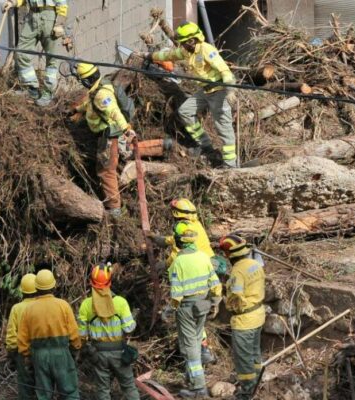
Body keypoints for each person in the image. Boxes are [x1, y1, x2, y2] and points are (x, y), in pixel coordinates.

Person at [139, 22, 239, 168]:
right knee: (185, 112)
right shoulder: (187, 51)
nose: (181, 46)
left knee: (223, 128)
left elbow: (225, 71)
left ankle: (230, 165)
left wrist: (230, 91)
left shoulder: (206, 50)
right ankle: (205, 145)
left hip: (220, 91)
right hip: (205, 91)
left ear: (192, 40)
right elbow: (169, 55)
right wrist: (149, 56)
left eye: (183, 43)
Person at [149, 198, 222, 364]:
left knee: (190, 306)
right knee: (198, 308)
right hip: (206, 263)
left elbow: (177, 253)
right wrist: (157, 239)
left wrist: (163, 265)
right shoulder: (194, 224)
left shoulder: (182, 226)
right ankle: (203, 349)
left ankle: (202, 350)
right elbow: (175, 239)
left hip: (196, 265)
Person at [69, 62, 136, 218]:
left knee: (106, 171)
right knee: (127, 151)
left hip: (109, 136)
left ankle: (114, 208)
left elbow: (114, 112)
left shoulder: (101, 95)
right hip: (112, 133)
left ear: (86, 80)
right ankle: (162, 146)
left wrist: (126, 129)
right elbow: (91, 104)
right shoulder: (99, 88)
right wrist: (78, 109)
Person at [168, 223, 222, 398]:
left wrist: (169, 310)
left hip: (186, 308)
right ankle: (191, 379)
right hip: (203, 306)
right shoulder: (204, 257)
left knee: (189, 347)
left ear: (179, 242)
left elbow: (176, 294)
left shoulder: (178, 262)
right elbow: (215, 284)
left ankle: (198, 388)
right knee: (197, 339)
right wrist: (215, 302)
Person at [77, 263, 139, 400]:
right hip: (119, 353)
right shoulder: (121, 302)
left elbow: (81, 335)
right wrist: (132, 319)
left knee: (103, 389)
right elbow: (129, 328)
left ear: (91, 282)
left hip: (98, 354)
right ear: (110, 282)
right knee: (128, 386)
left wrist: (83, 350)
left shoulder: (86, 305)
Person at [18, 269, 82, 400]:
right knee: (69, 392)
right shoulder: (63, 305)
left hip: (39, 357)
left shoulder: (29, 309)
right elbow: (74, 332)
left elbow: (22, 338)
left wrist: (27, 356)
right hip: (61, 355)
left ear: (36, 287)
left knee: (43, 394)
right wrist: (76, 347)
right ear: (53, 286)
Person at [218, 235, 266, 399]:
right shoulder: (256, 264)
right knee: (255, 354)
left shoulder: (237, 271)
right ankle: (258, 382)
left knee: (243, 359)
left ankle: (247, 391)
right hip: (258, 315)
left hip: (244, 321)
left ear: (229, 255)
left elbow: (236, 296)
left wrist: (226, 299)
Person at [3, 0, 69, 106]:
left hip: (49, 16)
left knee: (51, 57)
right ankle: (32, 89)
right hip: (32, 15)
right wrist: (12, 2)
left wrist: (60, 23)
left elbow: (62, 3)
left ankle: (48, 91)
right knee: (20, 52)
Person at [5, 274, 39, 400]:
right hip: (42, 352)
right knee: (43, 387)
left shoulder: (16, 308)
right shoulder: (42, 306)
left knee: (25, 389)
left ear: (22, 291)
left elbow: (11, 336)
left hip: (23, 354)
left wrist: (12, 353)